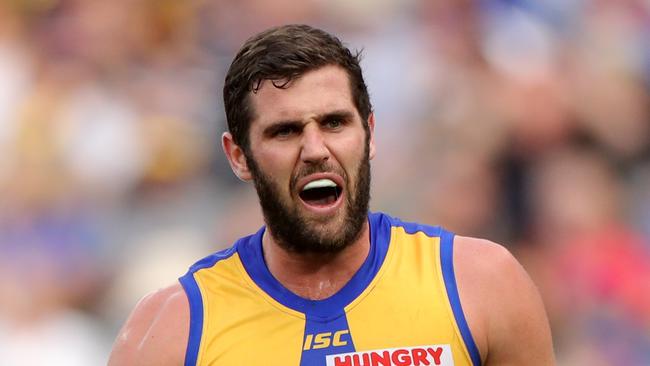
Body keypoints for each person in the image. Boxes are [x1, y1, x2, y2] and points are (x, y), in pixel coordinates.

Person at [108, 24, 555, 366]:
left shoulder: (482, 285)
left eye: (334, 122)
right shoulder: (171, 331)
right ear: (239, 156)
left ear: (370, 132)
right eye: (285, 131)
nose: (315, 150)